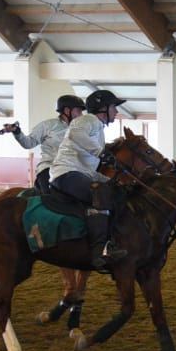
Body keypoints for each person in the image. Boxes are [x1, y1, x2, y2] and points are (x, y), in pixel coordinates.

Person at [48, 88, 128, 270]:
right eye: (114, 107)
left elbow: (88, 169)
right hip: (66, 173)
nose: (116, 111)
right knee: (101, 194)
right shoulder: (88, 120)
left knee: (113, 189)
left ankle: (111, 242)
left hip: (78, 173)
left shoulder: (98, 130)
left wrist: (112, 180)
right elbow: (75, 134)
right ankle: (98, 252)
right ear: (103, 109)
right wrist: (101, 153)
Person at [6, 93, 87, 191]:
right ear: (67, 110)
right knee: (50, 197)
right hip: (49, 168)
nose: (81, 115)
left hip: (72, 170)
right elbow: (29, 143)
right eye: (78, 111)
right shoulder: (47, 125)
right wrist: (17, 132)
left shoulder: (80, 129)